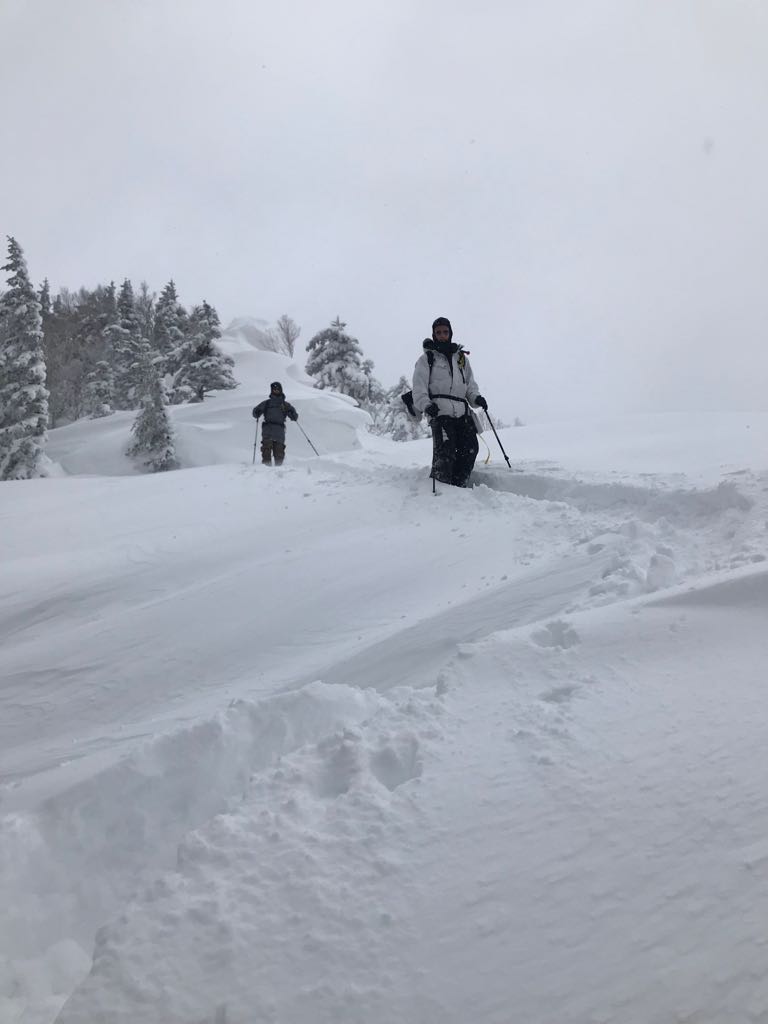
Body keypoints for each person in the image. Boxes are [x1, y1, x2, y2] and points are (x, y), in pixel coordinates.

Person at [412, 316, 488, 488]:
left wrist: (476, 398)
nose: (442, 335)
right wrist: (427, 405)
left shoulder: (461, 359)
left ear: (450, 333)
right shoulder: (426, 359)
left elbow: (470, 386)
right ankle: (442, 490)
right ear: (434, 335)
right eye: (438, 332)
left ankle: (459, 486)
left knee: (470, 449)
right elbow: (419, 388)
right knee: (446, 453)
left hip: (462, 413)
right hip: (440, 412)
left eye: (445, 332)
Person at [252, 382, 299, 466]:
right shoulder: (267, 403)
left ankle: (278, 470)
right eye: (274, 389)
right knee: (266, 451)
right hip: (268, 430)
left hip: (279, 431)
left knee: (279, 453)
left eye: (277, 389)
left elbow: (294, 417)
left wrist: (291, 414)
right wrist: (257, 412)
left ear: (281, 390)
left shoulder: (285, 405)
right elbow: (255, 413)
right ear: (272, 391)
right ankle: (265, 469)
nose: (276, 390)